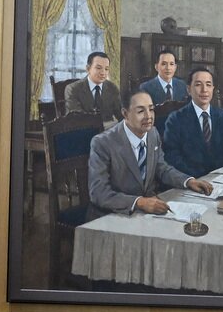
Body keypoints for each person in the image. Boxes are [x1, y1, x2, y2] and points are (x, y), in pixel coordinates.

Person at [87, 89, 213, 219]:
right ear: (125, 114)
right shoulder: (102, 143)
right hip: (112, 215)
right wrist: (140, 202)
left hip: (146, 211)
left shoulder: (152, 133)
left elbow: (162, 168)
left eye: (151, 109)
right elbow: (98, 193)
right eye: (141, 111)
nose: (149, 116)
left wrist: (188, 181)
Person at [163, 67, 223, 178]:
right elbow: (172, 157)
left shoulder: (222, 115)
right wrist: (197, 178)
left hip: (221, 177)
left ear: (213, 89)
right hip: (191, 180)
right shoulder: (176, 119)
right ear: (189, 89)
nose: (204, 90)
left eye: (208, 85)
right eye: (198, 84)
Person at [64, 51, 121, 122]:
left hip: (108, 130)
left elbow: (121, 115)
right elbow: (76, 119)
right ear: (88, 69)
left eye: (106, 69)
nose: (103, 73)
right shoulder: (73, 89)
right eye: (98, 68)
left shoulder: (112, 88)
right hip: (83, 130)